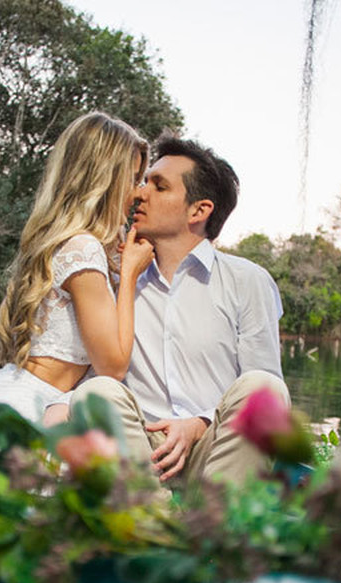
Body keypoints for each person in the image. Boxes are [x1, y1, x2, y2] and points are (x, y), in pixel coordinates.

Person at [67, 133, 289, 484]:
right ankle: (155, 521)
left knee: (265, 388)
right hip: (140, 448)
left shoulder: (248, 281)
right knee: (96, 392)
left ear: (199, 211)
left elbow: (264, 396)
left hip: (214, 448)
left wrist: (198, 425)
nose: (140, 193)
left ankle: (212, 520)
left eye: (159, 186)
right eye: (144, 183)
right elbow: (95, 373)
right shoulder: (118, 280)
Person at [0, 112, 154, 434]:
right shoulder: (82, 247)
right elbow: (112, 366)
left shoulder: (64, 242)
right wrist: (130, 273)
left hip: (33, 401)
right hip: (25, 414)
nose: (138, 193)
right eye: (132, 180)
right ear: (104, 180)